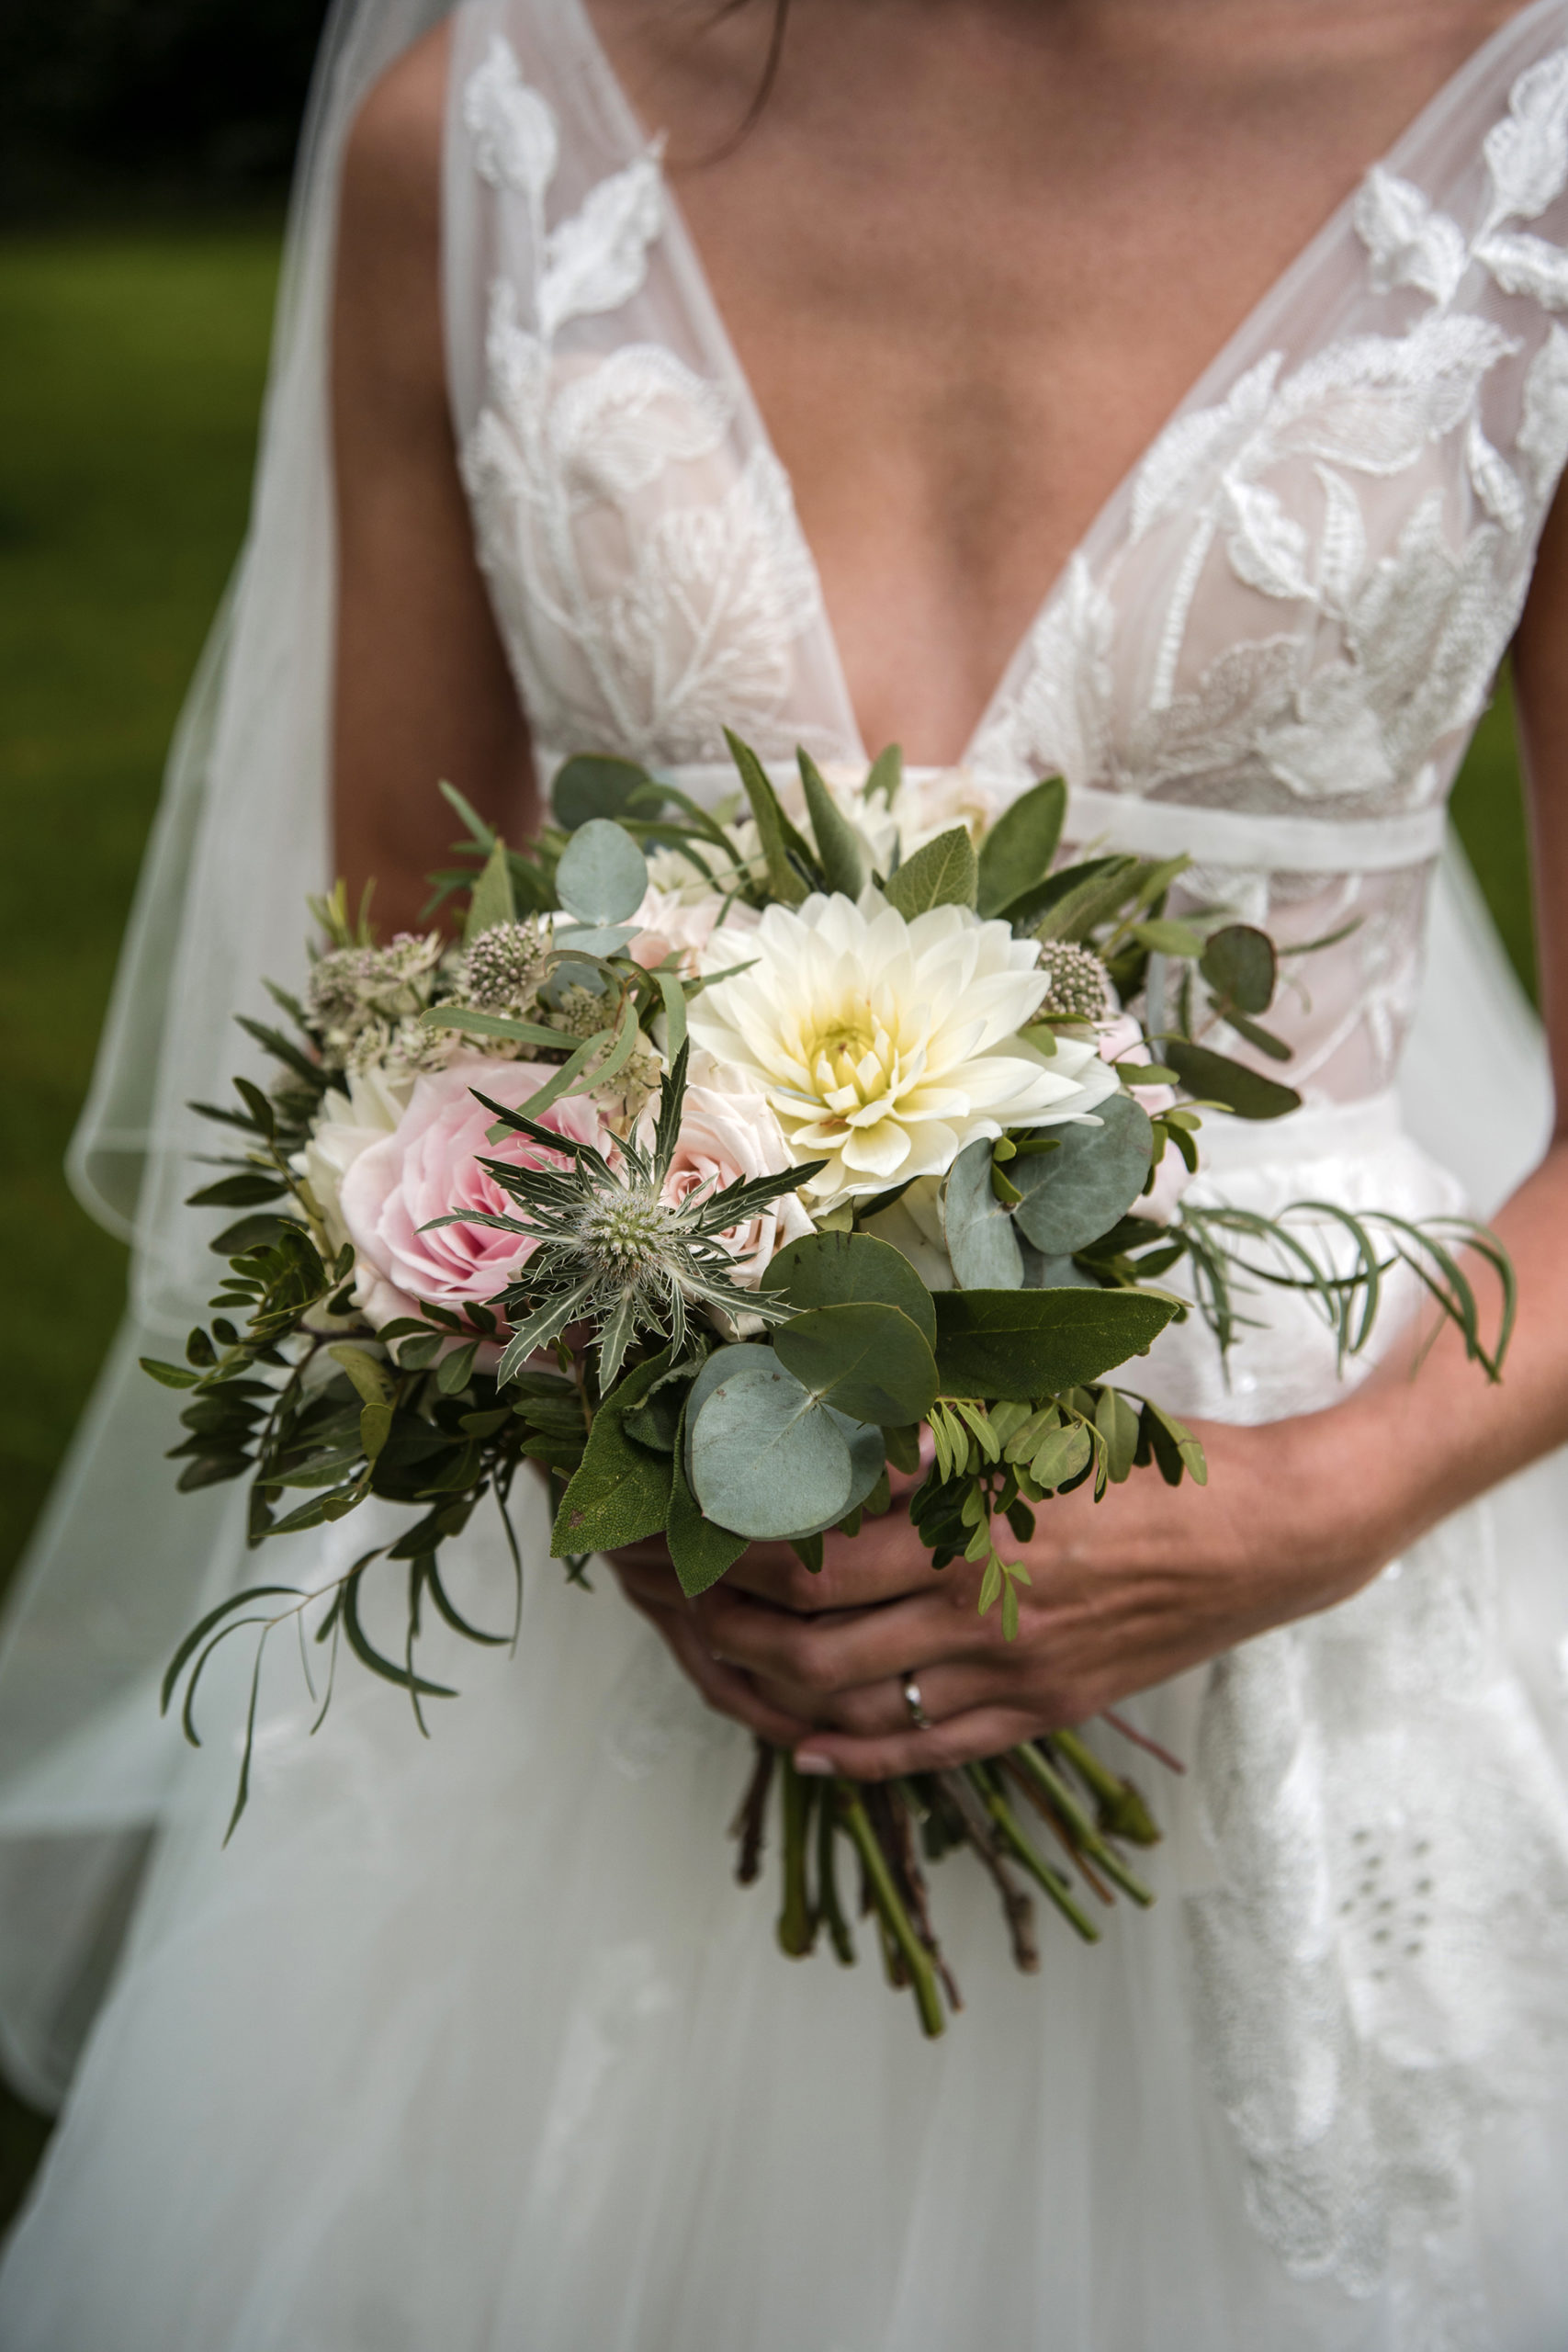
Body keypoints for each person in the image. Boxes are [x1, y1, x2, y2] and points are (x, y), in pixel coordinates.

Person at [2, 0, 1568, 2342]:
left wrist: (1297, 1503)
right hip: (640, 1597)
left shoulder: (1525, 144)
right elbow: (403, 988)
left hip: (1346, 1559)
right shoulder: (482, 141)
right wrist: (607, 1428)